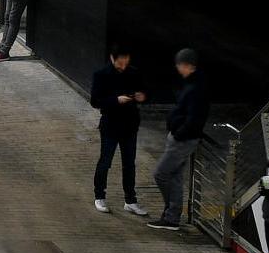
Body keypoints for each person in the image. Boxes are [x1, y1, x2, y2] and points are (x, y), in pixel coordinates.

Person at [146, 48, 208, 228]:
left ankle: (171, 214)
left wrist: (179, 133)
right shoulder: (194, 83)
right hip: (181, 137)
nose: (178, 68)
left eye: (180, 65)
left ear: (187, 65)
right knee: (174, 177)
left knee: (161, 174)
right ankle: (172, 217)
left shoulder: (196, 87)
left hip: (183, 139)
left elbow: (194, 117)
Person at [88, 43, 147, 215]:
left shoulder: (134, 73)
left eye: (126, 61)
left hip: (130, 124)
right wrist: (115, 100)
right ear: (112, 59)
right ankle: (99, 196)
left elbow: (145, 91)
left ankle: (130, 200)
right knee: (105, 161)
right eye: (120, 61)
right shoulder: (101, 75)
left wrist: (142, 96)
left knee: (129, 164)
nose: (123, 65)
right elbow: (95, 101)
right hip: (111, 124)